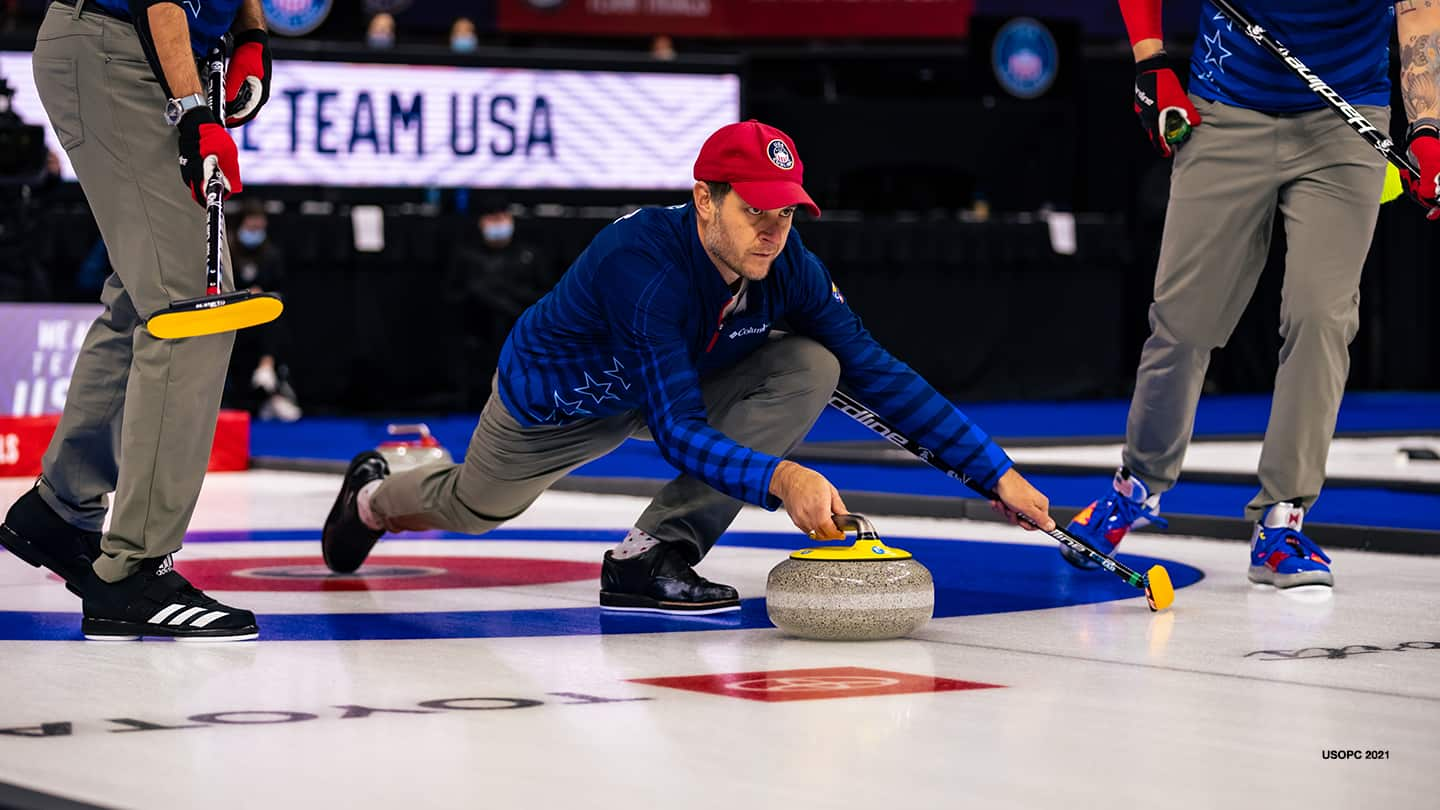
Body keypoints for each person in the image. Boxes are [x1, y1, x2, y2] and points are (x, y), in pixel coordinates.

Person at [322, 120, 1056, 614]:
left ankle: (651, 556)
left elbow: (879, 372)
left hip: (680, 375)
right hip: (557, 402)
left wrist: (996, 472)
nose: (773, 233)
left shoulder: (787, 263)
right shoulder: (642, 267)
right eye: (756, 213)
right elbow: (677, 429)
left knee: (813, 363)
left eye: (787, 214)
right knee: (475, 507)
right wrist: (782, 477)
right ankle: (372, 496)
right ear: (705, 200)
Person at [1062, 0, 1440, 589]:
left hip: (1346, 120)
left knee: (1322, 317)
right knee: (1184, 321)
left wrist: (1427, 128)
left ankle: (1282, 521)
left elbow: (1419, 14)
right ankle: (1136, 486)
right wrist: (1150, 60)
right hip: (1225, 107)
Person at [0, 0, 275, 640]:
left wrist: (251, 33)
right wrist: (193, 110)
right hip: (119, 43)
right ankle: (132, 572)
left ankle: (61, 512)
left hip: (133, 45)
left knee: (147, 296)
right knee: (194, 307)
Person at [444, 197, 553, 407]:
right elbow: (452, 295)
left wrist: (511, 300)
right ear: (482, 222)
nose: (498, 223)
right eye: (492, 218)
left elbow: (545, 294)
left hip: (521, 332)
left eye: (501, 217)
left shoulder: (529, 253)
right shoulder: (467, 254)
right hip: (479, 335)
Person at [226, 203, 301, 422]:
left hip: (261, 316)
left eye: (260, 222)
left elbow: (281, 289)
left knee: (275, 322)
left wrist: (262, 295)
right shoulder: (228, 252)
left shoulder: (271, 254)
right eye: (251, 222)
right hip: (234, 315)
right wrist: (243, 295)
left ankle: (268, 374)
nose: (255, 227)